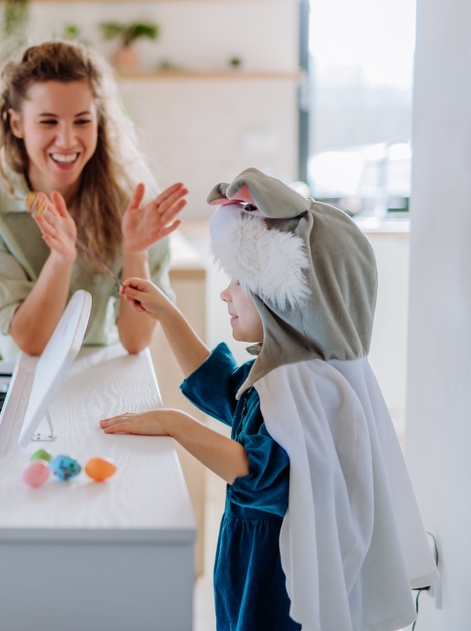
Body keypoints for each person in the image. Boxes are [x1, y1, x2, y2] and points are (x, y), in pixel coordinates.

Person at [101, 168, 439, 630]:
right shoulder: (282, 381)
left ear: (283, 300)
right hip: (249, 551)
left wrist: (175, 424)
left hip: (274, 569)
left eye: (238, 283)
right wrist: (167, 313)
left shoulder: (306, 393)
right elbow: (222, 386)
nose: (225, 293)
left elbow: (253, 468)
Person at [0, 40, 188, 369]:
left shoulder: (134, 204)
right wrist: (61, 257)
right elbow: (32, 342)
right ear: (16, 124)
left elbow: (136, 340)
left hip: (83, 360)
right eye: (48, 122)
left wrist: (135, 252)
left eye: (82, 121)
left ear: (99, 121)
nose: (67, 140)